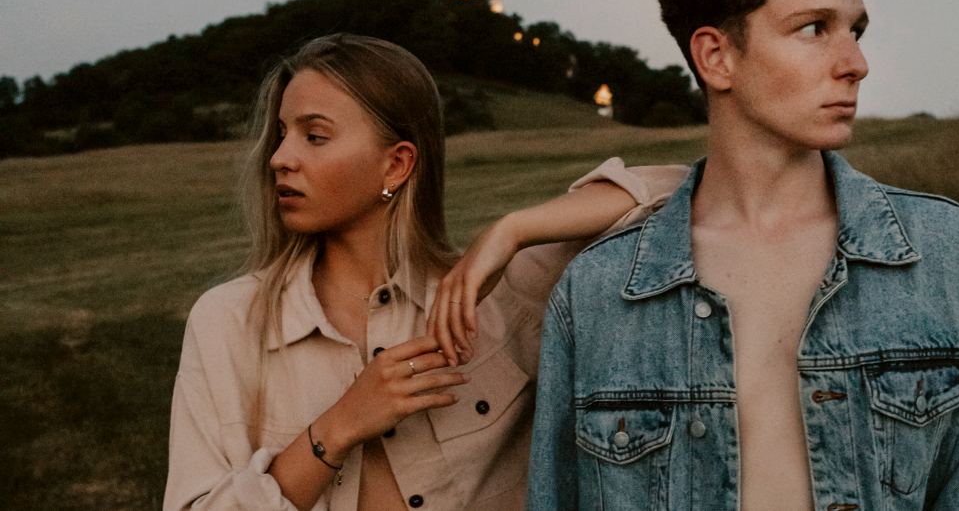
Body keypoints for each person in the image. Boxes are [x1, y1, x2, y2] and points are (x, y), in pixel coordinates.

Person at [528, 0, 959, 510]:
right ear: (716, 56)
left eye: (856, 29)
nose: (856, 63)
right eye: (814, 28)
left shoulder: (957, 258)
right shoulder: (597, 291)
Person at [163, 34, 685, 510]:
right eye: (281, 135)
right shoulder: (228, 323)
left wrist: (512, 231)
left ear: (396, 165)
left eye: (314, 136)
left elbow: (681, 192)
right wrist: (338, 427)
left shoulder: (498, 297)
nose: (279, 158)